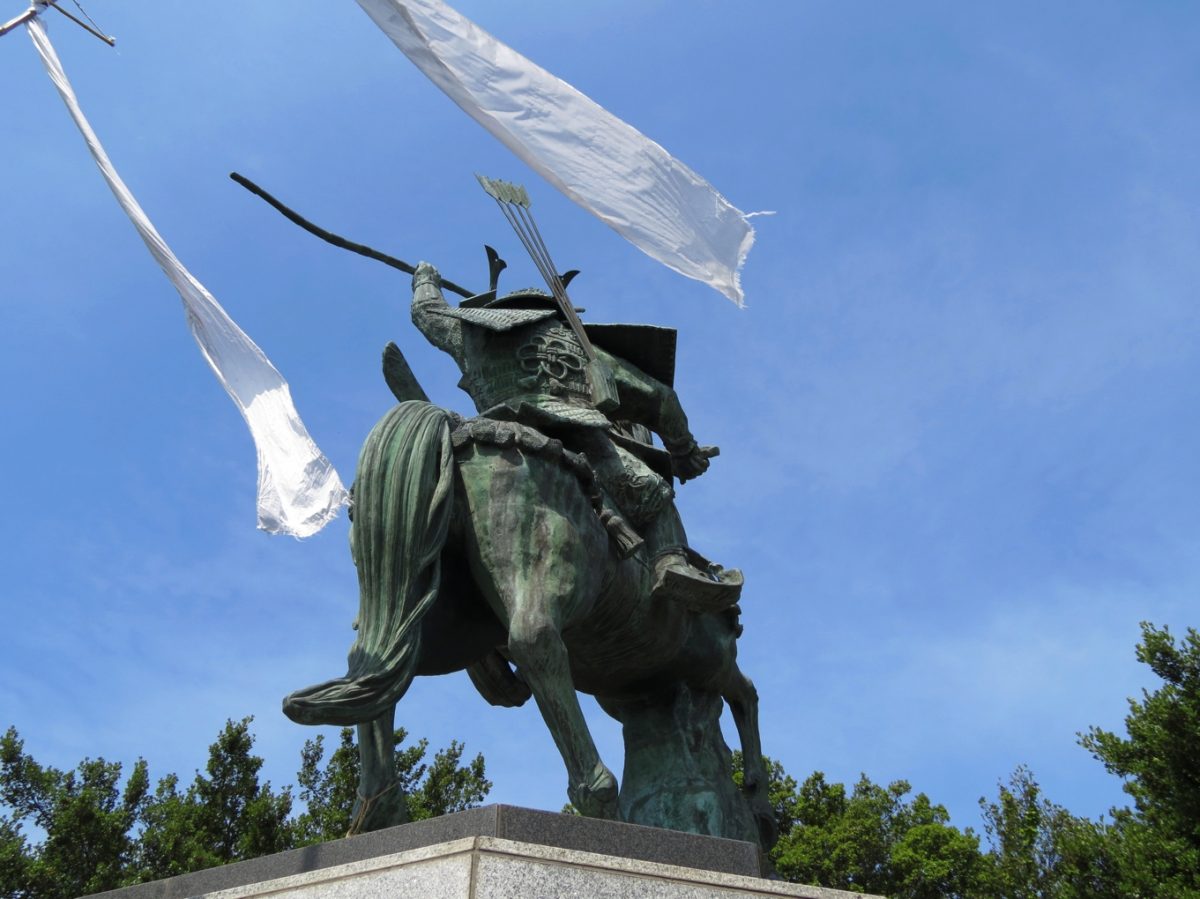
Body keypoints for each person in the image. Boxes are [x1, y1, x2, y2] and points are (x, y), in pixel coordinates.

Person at [409, 261, 741, 610]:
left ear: (498, 312)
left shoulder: (471, 335)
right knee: (652, 491)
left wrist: (425, 279)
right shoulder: (578, 344)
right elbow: (660, 399)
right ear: (554, 313)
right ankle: (670, 563)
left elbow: (426, 312)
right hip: (577, 433)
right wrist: (684, 450)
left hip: (495, 429)